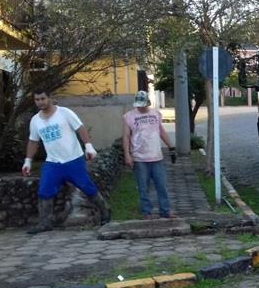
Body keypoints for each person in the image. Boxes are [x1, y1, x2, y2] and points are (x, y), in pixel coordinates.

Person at [22, 89, 110, 234]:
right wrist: (28, 161)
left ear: (50, 98)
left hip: (73, 159)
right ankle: (45, 222)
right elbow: (33, 141)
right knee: (44, 191)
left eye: (43, 98)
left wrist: (88, 146)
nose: (40, 102)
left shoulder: (65, 113)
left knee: (86, 187)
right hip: (53, 163)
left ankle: (105, 211)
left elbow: (80, 128)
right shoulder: (35, 120)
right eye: (37, 100)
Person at [123, 91, 176, 220]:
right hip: (139, 157)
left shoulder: (155, 114)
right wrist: (127, 155)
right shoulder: (129, 116)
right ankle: (146, 212)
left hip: (156, 156)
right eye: (138, 105)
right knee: (143, 187)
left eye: (143, 105)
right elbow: (126, 136)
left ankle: (165, 210)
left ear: (148, 102)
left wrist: (171, 146)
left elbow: (161, 131)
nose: (140, 107)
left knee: (162, 186)